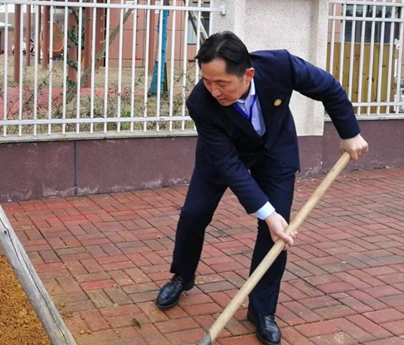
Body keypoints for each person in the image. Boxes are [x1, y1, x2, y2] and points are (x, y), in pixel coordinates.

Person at [155, 31, 369, 345]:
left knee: (275, 233)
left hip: (274, 151)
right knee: (194, 213)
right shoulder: (200, 101)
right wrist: (265, 212)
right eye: (206, 81)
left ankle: (261, 310)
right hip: (223, 157)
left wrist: (349, 132)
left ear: (248, 74)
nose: (213, 90)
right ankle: (183, 276)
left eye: (222, 83)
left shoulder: (281, 65)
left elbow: (329, 88)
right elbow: (229, 166)